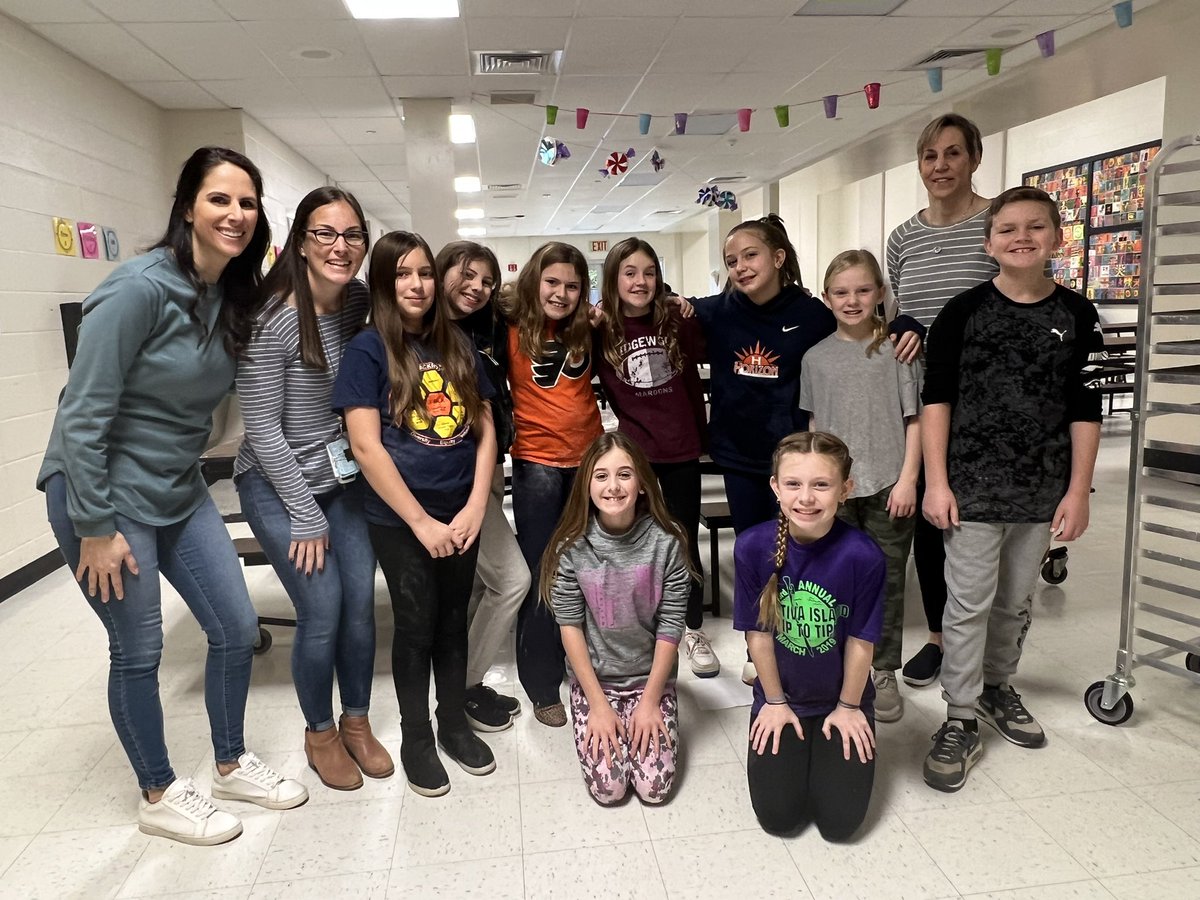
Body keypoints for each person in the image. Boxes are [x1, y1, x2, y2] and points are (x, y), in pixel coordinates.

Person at [37, 147, 308, 846]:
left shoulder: (231, 299)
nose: (235, 215)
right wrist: (94, 525)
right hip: (100, 491)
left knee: (235, 625)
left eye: (247, 203)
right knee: (139, 649)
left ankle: (228, 761)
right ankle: (158, 791)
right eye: (220, 199)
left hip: (178, 487)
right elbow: (84, 412)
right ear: (187, 205)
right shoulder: (137, 288)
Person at [920, 186, 1102, 792]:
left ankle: (998, 687)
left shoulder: (1077, 316)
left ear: (1056, 237)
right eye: (1007, 229)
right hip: (969, 489)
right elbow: (936, 400)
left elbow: (1084, 407)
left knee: (1016, 602)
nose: (1021, 237)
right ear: (988, 241)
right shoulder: (962, 312)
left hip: (1040, 489)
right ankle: (960, 717)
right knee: (967, 603)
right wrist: (937, 481)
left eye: (1035, 227)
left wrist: (1078, 492)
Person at [234, 186, 392, 791]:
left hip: (340, 478)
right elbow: (264, 430)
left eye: (353, 235)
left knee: (359, 604)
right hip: (277, 484)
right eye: (325, 233)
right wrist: (304, 513)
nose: (340, 246)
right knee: (321, 609)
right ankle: (319, 731)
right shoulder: (268, 318)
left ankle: (356, 721)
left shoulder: (355, 303)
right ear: (300, 242)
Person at [333, 231, 498, 798]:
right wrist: (421, 523)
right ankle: (416, 736)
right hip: (401, 520)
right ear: (383, 281)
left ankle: (452, 723)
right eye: (403, 273)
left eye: (425, 272)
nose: (417, 284)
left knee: (454, 622)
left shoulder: (456, 342)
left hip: (462, 513)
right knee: (417, 625)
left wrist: (478, 503)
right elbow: (366, 447)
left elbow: (484, 429)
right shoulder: (369, 349)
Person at [693, 214, 836, 683]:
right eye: (731, 260)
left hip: (795, 461)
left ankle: (800, 636)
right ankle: (760, 646)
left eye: (750, 255)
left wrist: (905, 325)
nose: (740, 267)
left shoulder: (812, 315)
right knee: (756, 552)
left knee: (800, 550)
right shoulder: (721, 311)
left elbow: (859, 336)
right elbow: (670, 307)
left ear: (778, 258)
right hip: (739, 458)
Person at [885, 113, 999, 690]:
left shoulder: (996, 224)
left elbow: (1012, 302)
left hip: (984, 396)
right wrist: (901, 321)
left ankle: (981, 641)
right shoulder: (903, 238)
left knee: (978, 520)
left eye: (953, 154)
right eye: (931, 156)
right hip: (924, 398)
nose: (941, 166)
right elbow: (899, 310)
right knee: (932, 518)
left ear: (973, 159)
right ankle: (937, 635)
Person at [734, 432, 884, 840]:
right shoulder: (752, 547)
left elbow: (861, 641)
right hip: (783, 697)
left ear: (845, 490)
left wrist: (850, 707)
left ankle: (826, 745)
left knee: (839, 826)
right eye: (794, 484)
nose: (806, 497)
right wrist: (775, 702)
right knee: (779, 819)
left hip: (842, 698)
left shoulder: (863, 555)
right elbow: (758, 637)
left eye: (821, 484)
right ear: (775, 487)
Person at [799, 250, 921, 724]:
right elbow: (814, 425)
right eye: (842, 292)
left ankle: (883, 669)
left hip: (889, 485)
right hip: (834, 493)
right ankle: (834, 665)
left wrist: (909, 479)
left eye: (863, 290)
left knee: (887, 581)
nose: (852, 300)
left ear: (881, 294)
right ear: (826, 298)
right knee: (831, 582)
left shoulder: (899, 351)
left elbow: (915, 420)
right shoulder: (816, 358)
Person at [542, 432, 692, 805]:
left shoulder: (667, 542)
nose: (613, 486)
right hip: (596, 683)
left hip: (649, 680)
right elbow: (570, 626)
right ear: (587, 485)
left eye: (625, 474)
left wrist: (650, 701)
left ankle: (651, 711)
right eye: (601, 475)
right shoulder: (571, 546)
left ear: (642, 483)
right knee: (610, 789)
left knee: (653, 790)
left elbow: (671, 627)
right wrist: (597, 705)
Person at [594, 237, 715, 678]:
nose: (640, 281)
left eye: (648, 272)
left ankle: (692, 628)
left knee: (683, 539)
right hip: (635, 454)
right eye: (630, 272)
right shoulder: (599, 329)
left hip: (681, 446)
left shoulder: (676, 321)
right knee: (634, 542)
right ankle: (639, 628)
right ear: (613, 279)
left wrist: (690, 302)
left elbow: (719, 329)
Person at [503, 242, 603, 726]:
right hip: (537, 465)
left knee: (590, 568)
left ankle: (588, 664)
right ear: (534, 282)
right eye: (552, 283)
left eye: (572, 285)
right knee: (543, 572)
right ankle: (542, 683)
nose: (561, 294)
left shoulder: (588, 327)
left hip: (588, 461)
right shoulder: (511, 322)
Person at [437, 240, 528, 732]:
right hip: (455, 476)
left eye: (486, 280)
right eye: (465, 274)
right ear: (441, 271)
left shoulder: (490, 322)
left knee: (480, 583)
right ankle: (462, 687)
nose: (476, 287)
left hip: (491, 464)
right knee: (512, 580)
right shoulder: (427, 330)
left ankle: (463, 683)